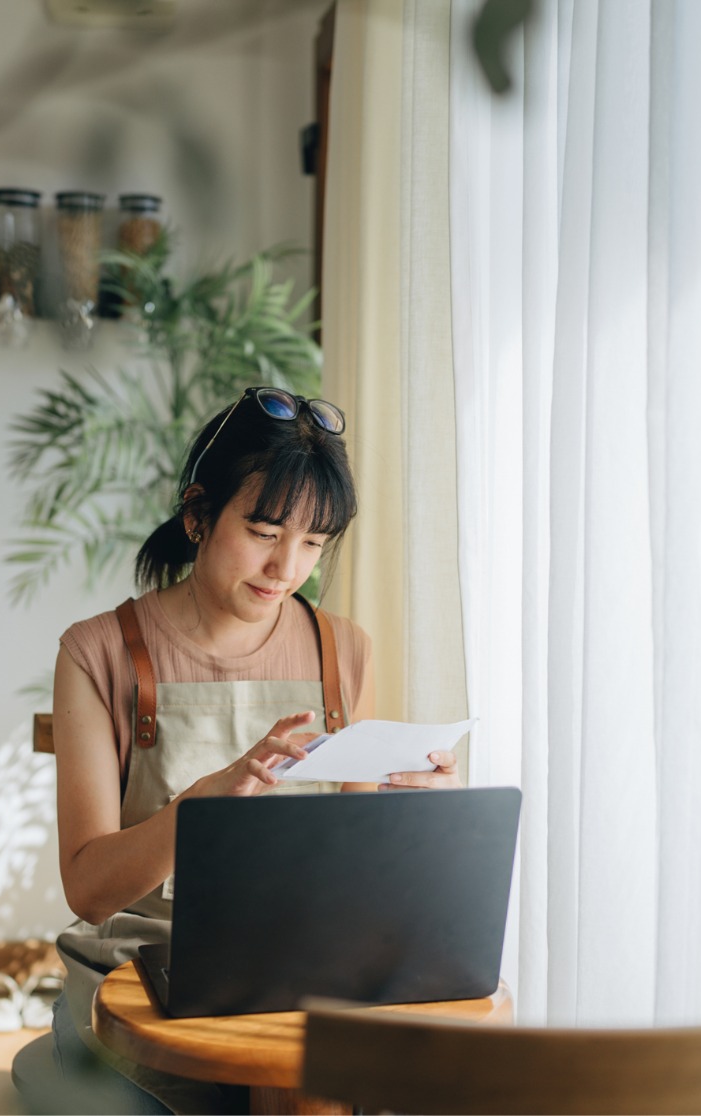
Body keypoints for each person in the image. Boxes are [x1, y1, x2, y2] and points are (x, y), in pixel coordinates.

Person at [49, 386, 460, 1113]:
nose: (287, 568)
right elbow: (88, 890)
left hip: (301, 962)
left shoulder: (341, 650)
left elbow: (350, 872)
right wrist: (202, 808)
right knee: (302, 1080)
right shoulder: (99, 650)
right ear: (198, 513)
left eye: (313, 543)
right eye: (267, 531)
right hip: (148, 969)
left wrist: (408, 816)